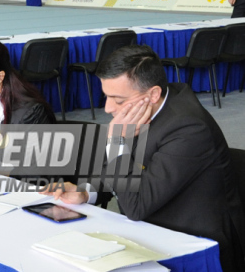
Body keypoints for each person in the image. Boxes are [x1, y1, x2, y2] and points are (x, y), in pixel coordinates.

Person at [42, 45, 245, 272]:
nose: (108, 108)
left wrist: (117, 140)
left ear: (153, 94)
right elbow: (121, 169)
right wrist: (86, 191)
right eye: (106, 96)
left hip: (195, 242)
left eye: (118, 100)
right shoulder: (149, 108)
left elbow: (136, 207)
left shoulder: (188, 128)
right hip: (152, 227)